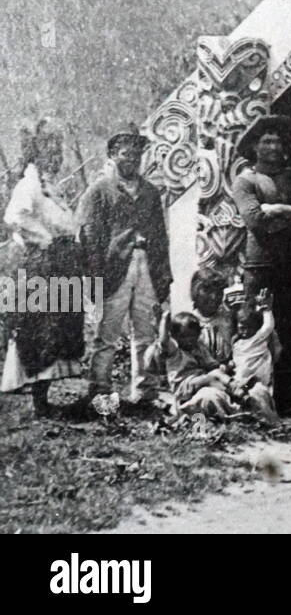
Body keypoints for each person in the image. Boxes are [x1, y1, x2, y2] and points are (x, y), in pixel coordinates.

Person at [229, 115, 291, 420]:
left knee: (290, 336)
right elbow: (254, 220)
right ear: (254, 146)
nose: (273, 146)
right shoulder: (246, 181)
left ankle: (288, 401)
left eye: (278, 141)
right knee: (255, 333)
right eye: (266, 141)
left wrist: (279, 209)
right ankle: (252, 402)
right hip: (260, 268)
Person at [76, 123, 170, 408]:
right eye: (126, 154)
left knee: (145, 331)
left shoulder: (151, 193)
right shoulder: (99, 191)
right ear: (114, 154)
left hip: (146, 265)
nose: (132, 160)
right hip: (114, 266)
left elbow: (161, 236)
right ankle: (100, 391)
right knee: (108, 332)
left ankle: (144, 392)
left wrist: (164, 273)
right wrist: (94, 277)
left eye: (137, 155)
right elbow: (90, 237)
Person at [1, 119, 86, 417]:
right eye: (50, 150)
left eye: (58, 150)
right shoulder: (29, 185)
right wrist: (45, 239)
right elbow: (16, 217)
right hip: (41, 266)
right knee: (40, 330)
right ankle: (39, 402)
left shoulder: (49, 187)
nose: (56, 156)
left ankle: (44, 398)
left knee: (56, 329)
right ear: (37, 153)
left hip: (59, 264)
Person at [148, 311, 236, 419]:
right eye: (184, 337)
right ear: (175, 336)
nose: (189, 340)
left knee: (216, 374)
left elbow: (211, 365)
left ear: (198, 334)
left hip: (199, 380)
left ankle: (234, 388)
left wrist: (223, 368)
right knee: (212, 378)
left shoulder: (199, 347)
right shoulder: (174, 349)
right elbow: (163, 342)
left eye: (192, 336)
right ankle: (232, 392)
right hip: (183, 385)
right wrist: (163, 321)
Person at [230, 295, 281, 426]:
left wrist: (267, 310)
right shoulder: (237, 343)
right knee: (241, 398)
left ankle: (271, 421)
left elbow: (268, 326)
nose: (246, 331)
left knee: (259, 394)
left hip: (257, 377)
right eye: (242, 328)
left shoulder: (258, 338)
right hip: (241, 378)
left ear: (257, 328)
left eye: (250, 328)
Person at [190, 266, 234, 365]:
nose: (214, 297)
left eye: (218, 292)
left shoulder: (228, 319)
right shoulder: (188, 322)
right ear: (195, 292)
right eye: (207, 291)